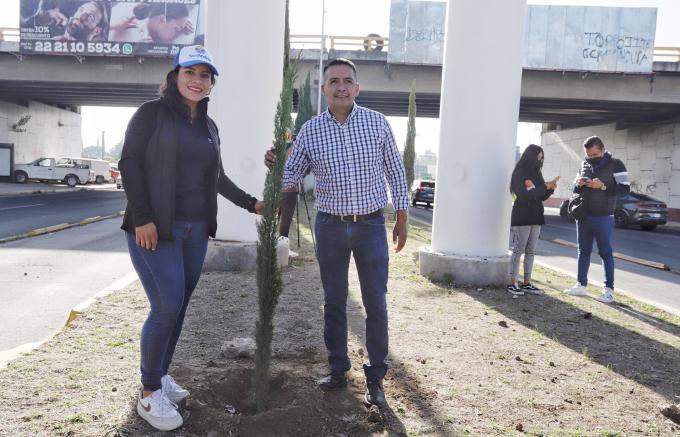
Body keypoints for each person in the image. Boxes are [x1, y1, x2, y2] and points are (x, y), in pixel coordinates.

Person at [119, 45, 263, 431]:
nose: (197, 81)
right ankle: (149, 393)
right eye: (190, 73)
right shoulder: (151, 114)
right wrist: (144, 218)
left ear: (211, 83)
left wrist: (253, 204)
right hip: (155, 230)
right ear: (175, 76)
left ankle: (161, 374)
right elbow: (128, 163)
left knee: (179, 307)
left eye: (205, 75)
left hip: (195, 231)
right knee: (166, 306)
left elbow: (216, 178)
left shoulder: (209, 127)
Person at [268, 58, 409, 407]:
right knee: (333, 301)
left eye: (348, 81)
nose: (341, 86)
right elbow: (291, 176)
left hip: (372, 226)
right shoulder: (311, 131)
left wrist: (402, 216)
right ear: (324, 89)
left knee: (375, 301)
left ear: (357, 88)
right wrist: (276, 164)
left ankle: (376, 375)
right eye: (334, 81)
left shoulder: (377, 123)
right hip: (330, 227)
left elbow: (395, 170)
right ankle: (337, 368)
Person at [564, 136, 630, 303]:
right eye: (587, 154)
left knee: (605, 253)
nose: (590, 158)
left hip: (604, 216)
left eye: (594, 154)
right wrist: (578, 183)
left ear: (602, 150)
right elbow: (574, 188)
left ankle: (608, 291)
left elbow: (625, 189)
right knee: (583, 251)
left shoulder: (616, 164)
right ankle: (581, 285)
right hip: (583, 215)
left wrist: (603, 186)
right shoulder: (584, 164)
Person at [508, 144, 559, 296]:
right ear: (531, 156)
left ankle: (527, 283)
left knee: (531, 250)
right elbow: (524, 194)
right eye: (539, 157)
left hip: (536, 215)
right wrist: (544, 187)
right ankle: (513, 283)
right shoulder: (519, 172)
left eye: (542, 158)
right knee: (519, 249)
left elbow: (540, 196)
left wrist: (550, 188)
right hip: (522, 215)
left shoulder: (537, 173)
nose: (540, 160)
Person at [109, 3, 193, 44]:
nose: (176, 36)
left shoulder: (165, 37)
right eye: (176, 29)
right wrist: (134, 48)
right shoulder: (124, 16)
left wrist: (183, 30)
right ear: (162, 19)